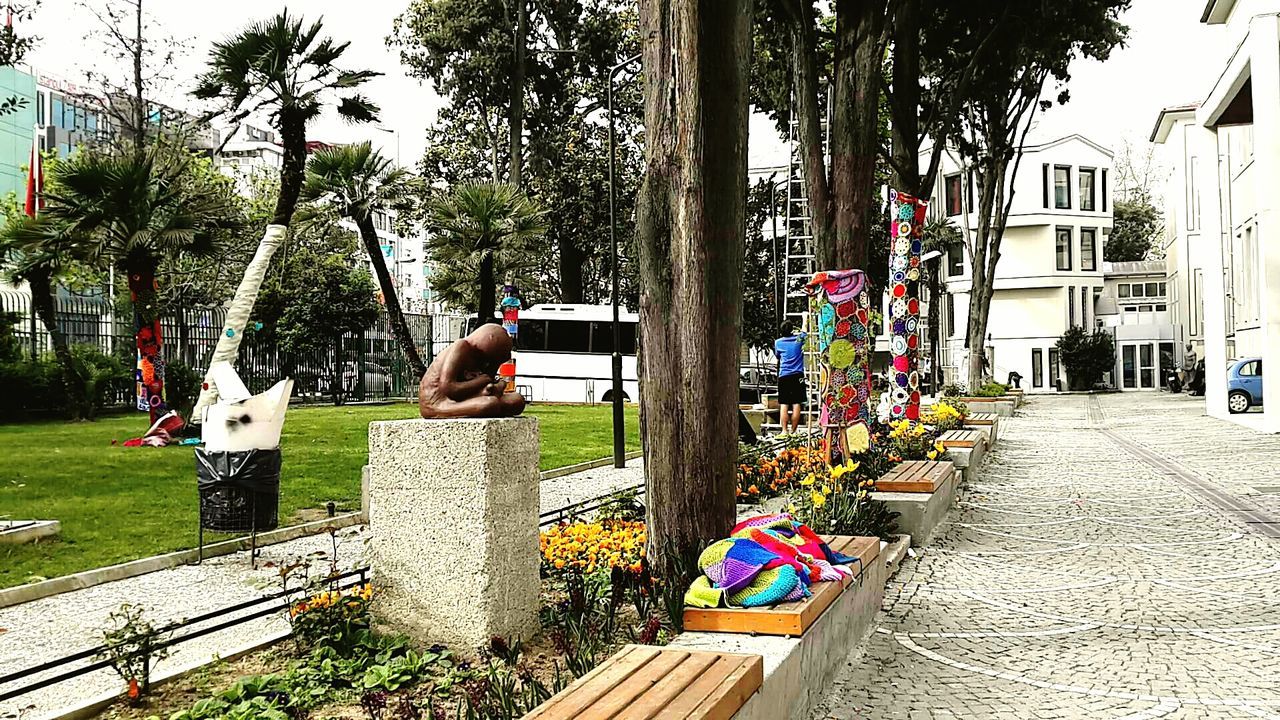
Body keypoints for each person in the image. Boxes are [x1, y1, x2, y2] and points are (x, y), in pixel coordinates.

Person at [418, 324, 527, 418]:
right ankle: (490, 407)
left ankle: (491, 407)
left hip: (464, 398)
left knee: (517, 401)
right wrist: (482, 381)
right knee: (490, 403)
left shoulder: (478, 356)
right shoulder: (461, 347)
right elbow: (449, 388)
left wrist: (494, 376)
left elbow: (488, 379)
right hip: (439, 403)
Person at [774, 321, 808, 435]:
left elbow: (778, 356)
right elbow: (805, 331)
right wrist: (805, 318)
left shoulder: (778, 342)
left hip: (784, 376)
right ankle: (793, 431)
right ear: (792, 330)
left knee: (784, 403)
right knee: (796, 403)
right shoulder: (798, 340)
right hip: (798, 376)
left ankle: (784, 430)